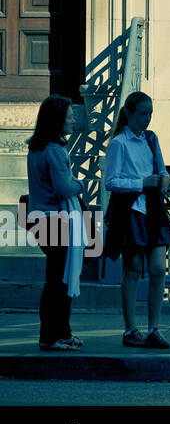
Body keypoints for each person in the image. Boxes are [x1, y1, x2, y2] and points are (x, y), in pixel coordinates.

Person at [103, 91, 170, 349]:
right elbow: (111, 181)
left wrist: (165, 179)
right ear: (130, 113)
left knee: (158, 268)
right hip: (132, 210)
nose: (147, 119)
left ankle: (154, 327)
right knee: (132, 269)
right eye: (143, 113)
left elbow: (163, 170)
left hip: (154, 208)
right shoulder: (119, 144)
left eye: (150, 114)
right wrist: (140, 183)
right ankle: (130, 329)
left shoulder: (152, 139)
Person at [25, 95, 87, 351]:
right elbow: (64, 188)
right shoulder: (55, 151)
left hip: (40, 219)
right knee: (59, 280)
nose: (73, 120)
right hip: (56, 221)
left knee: (57, 278)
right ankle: (50, 336)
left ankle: (60, 332)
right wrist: (82, 184)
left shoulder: (37, 148)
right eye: (69, 116)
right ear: (58, 120)